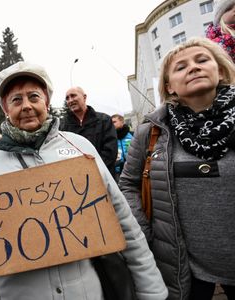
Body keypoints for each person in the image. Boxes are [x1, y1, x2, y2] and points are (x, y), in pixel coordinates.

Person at [0, 61, 168, 300]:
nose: (27, 106)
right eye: (16, 100)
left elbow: (124, 221)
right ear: (5, 107)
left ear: (47, 102)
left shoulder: (79, 146)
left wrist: (151, 290)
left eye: (34, 96)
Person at [119, 37, 235, 300]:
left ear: (220, 70)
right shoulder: (151, 132)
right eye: (181, 67)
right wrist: (145, 232)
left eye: (202, 60)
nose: (193, 67)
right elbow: (128, 184)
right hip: (185, 269)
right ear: (169, 86)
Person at [60, 87, 117, 178]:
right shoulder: (62, 126)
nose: (70, 100)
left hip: (103, 177)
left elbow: (110, 151)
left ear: (84, 97)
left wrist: (91, 170)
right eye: (67, 98)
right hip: (76, 180)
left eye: (73, 96)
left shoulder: (104, 120)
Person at [111, 114, 133, 182]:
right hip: (117, 171)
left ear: (122, 122)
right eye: (111, 123)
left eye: (114, 122)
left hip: (132, 169)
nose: (112, 124)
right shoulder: (110, 138)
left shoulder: (133, 135)